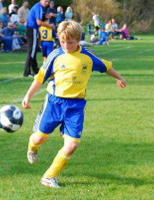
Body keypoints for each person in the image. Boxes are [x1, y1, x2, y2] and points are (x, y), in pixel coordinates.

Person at [22, 20, 126, 188]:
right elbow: (40, 78)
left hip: (76, 106)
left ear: (79, 39)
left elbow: (105, 67)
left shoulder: (87, 56)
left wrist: (119, 78)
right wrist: (28, 96)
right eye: (62, 41)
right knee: (39, 138)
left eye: (70, 42)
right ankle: (32, 147)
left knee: (72, 145)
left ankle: (49, 177)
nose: (66, 45)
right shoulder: (56, 55)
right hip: (54, 103)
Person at [24, 0, 55, 77]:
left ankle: (35, 70)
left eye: (48, 2)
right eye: (46, 1)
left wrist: (47, 16)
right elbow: (39, 22)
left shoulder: (39, 7)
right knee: (31, 51)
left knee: (33, 51)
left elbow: (43, 17)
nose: (47, 3)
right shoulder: (39, 7)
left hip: (32, 29)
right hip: (32, 29)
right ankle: (27, 72)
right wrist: (50, 26)